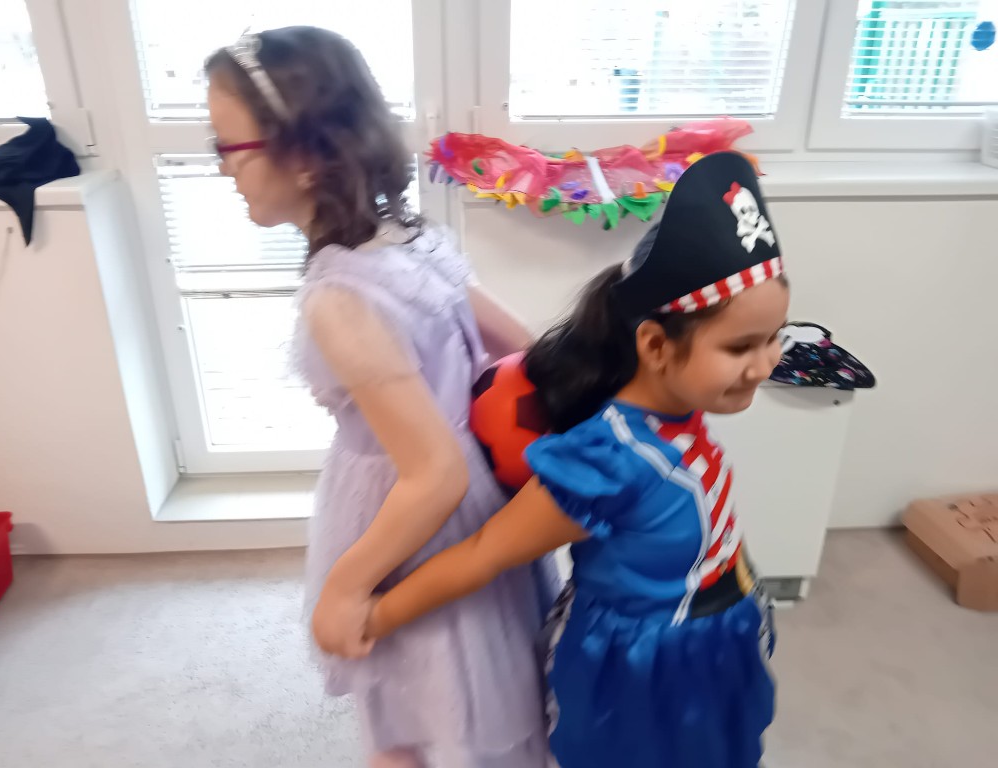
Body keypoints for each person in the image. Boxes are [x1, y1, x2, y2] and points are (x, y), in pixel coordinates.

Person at [360, 151, 788, 768]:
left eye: (774, 337)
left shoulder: (682, 409)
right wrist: (378, 615)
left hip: (713, 644)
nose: (766, 362)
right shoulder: (606, 461)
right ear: (656, 346)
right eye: (742, 346)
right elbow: (485, 553)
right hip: (642, 676)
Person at [204, 27, 558, 768]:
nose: (222, 168)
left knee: (420, 711)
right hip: (473, 510)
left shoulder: (338, 298)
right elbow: (523, 347)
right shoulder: (412, 238)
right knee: (469, 700)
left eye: (227, 149)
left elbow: (434, 474)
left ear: (304, 156)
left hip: (412, 527)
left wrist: (345, 588)